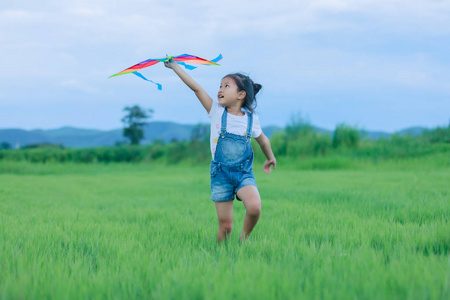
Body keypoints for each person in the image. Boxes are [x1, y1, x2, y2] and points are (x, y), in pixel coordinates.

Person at [164, 59, 276, 243]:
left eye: (226, 86)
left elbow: (263, 140)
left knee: (255, 207)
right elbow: (197, 89)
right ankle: (222, 256)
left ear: (241, 94)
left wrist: (270, 158)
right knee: (225, 226)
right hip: (221, 175)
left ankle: (244, 238)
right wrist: (175, 67)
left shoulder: (251, 119)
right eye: (220, 85)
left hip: (243, 174)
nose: (220, 90)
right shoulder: (216, 111)